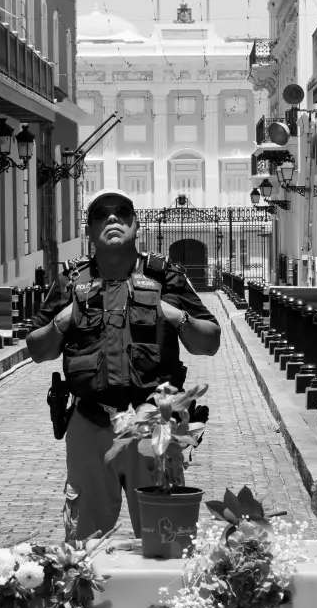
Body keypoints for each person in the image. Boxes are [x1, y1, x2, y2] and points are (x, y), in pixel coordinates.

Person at [27, 187, 221, 540]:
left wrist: (176, 316)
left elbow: (209, 342)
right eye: (101, 214)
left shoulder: (164, 276)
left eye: (122, 213)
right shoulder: (72, 281)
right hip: (90, 423)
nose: (112, 218)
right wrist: (63, 320)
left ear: (136, 225)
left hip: (153, 426)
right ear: (89, 230)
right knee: (84, 542)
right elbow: (37, 349)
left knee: (165, 536)